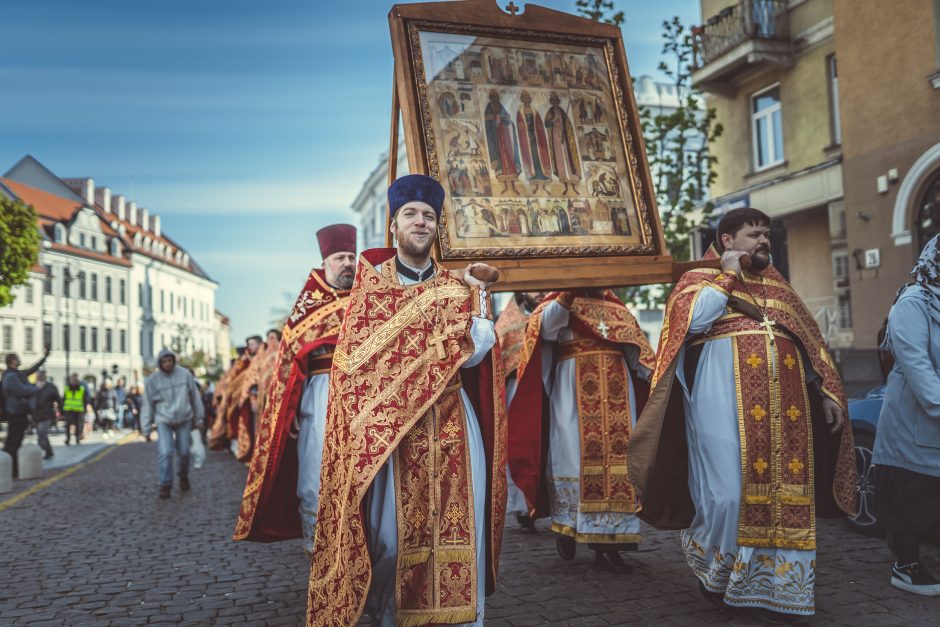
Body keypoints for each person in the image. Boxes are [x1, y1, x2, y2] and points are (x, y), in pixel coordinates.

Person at [627, 208, 856, 621]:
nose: (764, 240)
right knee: (727, 495)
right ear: (728, 241)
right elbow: (693, 321)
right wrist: (728, 275)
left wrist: (827, 394)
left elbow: (809, 345)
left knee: (784, 495)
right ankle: (715, 569)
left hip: (786, 411)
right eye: (754, 234)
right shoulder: (698, 281)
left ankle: (780, 589)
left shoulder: (780, 289)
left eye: (766, 234)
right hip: (721, 404)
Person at [307, 175, 506, 626]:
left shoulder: (459, 289)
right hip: (390, 437)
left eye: (429, 215)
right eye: (411, 214)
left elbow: (477, 351)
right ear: (393, 224)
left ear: (438, 227)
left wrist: (477, 298)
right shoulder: (370, 290)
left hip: (453, 424)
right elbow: (353, 368)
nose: (421, 222)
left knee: (460, 532)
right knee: (390, 540)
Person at [509, 289, 654, 572]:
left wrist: (655, 376)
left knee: (620, 466)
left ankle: (611, 545)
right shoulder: (557, 301)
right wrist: (568, 292)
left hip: (617, 392)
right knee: (573, 460)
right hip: (572, 390)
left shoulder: (616, 306)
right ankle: (568, 528)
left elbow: (636, 351)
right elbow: (547, 330)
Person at [234, 224, 356, 558]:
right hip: (318, 399)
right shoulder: (308, 307)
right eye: (340, 257)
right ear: (325, 262)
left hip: (362, 396)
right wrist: (291, 410)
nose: (348, 263)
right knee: (315, 472)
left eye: (351, 256)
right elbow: (288, 367)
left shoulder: (367, 299)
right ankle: (319, 545)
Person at [873, 234, 940, 596]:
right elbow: (919, 370)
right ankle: (906, 566)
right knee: (911, 492)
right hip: (912, 417)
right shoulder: (914, 303)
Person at [495, 291, 543, 531]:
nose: (539, 293)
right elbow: (500, 363)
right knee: (519, 446)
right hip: (515, 392)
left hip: (544, 389)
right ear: (522, 292)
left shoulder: (549, 316)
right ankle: (524, 508)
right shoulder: (507, 323)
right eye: (534, 289)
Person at [141, 348, 205, 499]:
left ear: (174, 361)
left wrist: (199, 417)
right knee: (165, 452)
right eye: (164, 361)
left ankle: (183, 475)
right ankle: (165, 484)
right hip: (164, 420)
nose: (167, 363)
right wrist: (146, 428)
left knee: (184, 452)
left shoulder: (184, 375)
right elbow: (147, 405)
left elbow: (195, 397)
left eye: (170, 360)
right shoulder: (153, 380)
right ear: (160, 363)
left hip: (184, 418)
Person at [2, 348, 48, 476]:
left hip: (20, 411)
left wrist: (44, 358)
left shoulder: (17, 374)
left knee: (17, 438)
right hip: (15, 412)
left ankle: (13, 467)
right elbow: (23, 391)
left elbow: (32, 369)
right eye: (17, 358)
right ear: (12, 361)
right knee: (14, 439)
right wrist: (37, 387)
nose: (19, 359)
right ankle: (10, 468)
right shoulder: (11, 377)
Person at [30, 371, 60, 459]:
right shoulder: (32, 386)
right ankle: (48, 451)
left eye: (40, 376)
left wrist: (61, 412)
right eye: (37, 376)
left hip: (47, 414)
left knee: (42, 432)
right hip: (35, 415)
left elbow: (58, 399)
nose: (38, 377)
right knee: (40, 434)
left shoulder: (51, 387)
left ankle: (42, 449)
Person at [62, 373, 91, 445]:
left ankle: (77, 438)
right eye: (72, 379)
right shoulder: (67, 387)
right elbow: (64, 398)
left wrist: (86, 406)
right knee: (68, 425)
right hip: (69, 409)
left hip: (79, 409)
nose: (74, 381)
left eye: (75, 379)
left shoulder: (81, 388)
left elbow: (86, 398)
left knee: (79, 425)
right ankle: (68, 439)